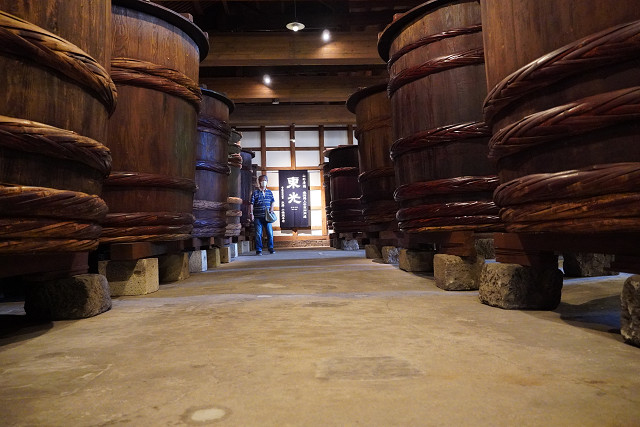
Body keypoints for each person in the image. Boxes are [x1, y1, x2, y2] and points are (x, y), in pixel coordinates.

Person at [250, 175, 275, 255]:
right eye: (262, 180)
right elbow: (251, 204)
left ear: (267, 182)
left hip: (267, 216)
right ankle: (259, 249)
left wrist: (271, 209)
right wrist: (251, 213)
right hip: (257, 216)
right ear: (259, 182)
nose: (263, 182)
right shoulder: (255, 193)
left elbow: (272, 201)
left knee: (270, 233)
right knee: (258, 233)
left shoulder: (269, 192)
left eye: (265, 180)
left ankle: (270, 248)